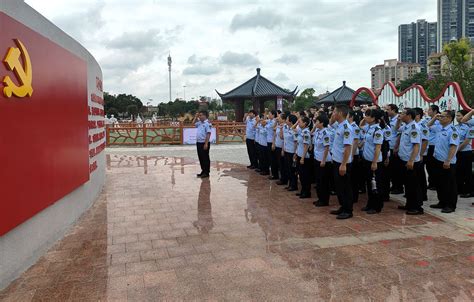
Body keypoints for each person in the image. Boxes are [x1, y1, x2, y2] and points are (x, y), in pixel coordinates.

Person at [429, 110, 460, 213]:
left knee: (449, 185)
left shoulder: (453, 130)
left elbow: (453, 146)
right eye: (440, 116)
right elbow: (427, 126)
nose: (440, 118)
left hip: (447, 162)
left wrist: (448, 160)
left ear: (449, 118)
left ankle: (450, 205)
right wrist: (435, 117)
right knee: (439, 183)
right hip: (437, 159)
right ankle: (442, 202)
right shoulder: (439, 127)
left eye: (442, 116)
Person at [395, 108, 423, 215]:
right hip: (404, 160)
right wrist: (398, 120)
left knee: (414, 185)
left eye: (403, 114)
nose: (401, 115)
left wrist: (411, 160)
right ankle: (409, 204)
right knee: (408, 184)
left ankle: (417, 207)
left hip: (411, 161)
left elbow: (416, 145)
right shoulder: (406, 126)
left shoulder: (414, 128)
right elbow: (396, 129)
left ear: (409, 116)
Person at [329, 105, 354, 219]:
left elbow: (348, 147)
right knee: (339, 187)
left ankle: (348, 210)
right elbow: (330, 122)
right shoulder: (339, 126)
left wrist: (343, 164)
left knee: (345, 187)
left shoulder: (346, 128)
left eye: (334, 112)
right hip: (336, 160)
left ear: (339, 113)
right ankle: (343, 206)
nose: (332, 114)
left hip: (343, 163)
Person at [360, 109, 385, 214]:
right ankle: (370, 204)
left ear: (374, 118)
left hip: (374, 161)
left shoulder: (377, 130)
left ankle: (377, 206)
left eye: (368, 116)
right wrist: (364, 119)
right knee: (369, 184)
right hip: (367, 160)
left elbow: (378, 147)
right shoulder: (369, 127)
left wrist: (374, 162)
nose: (365, 117)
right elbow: (360, 126)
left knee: (376, 185)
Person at [312, 114, 332, 207]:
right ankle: (320, 198)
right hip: (317, 158)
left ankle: (324, 200)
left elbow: (327, 147)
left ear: (322, 123)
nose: (315, 123)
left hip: (323, 160)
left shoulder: (325, 133)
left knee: (324, 181)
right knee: (319, 181)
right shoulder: (318, 131)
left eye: (317, 122)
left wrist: (323, 160)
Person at [385, 104, 404, 194]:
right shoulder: (389, 119)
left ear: (393, 110)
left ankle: (398, 187)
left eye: (388, 109)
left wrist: (397, 147)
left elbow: (400, 134)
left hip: (395, 147)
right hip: (390, 146)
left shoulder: (399, 119)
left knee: (397, 169)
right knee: (391, 169)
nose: (387, 111)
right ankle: (394, 186)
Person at [456, 110, 474, 198]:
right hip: (458, 151)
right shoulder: (456, 127)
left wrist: (456, 150)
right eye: (456, 115)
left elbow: (466, 142)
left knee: (467, 173)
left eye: (459, 115)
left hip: (465, 152)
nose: (457, 117)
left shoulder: (470, 126)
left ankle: (469, 191)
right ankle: (460, 189)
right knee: (459, 172)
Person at [294, 116, 312, 199]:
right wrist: (296, 153)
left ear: (305, 123)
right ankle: (303, 190)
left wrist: (303, 158)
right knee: (301, 175)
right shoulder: (301, 131)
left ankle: (307, 192)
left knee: (305, 176)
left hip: (304, 157)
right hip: (299, 154)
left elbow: (306, 146)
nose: (298, 123)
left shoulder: (306, 132)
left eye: (300, 122)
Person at [414, 107, 429, 202]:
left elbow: (425, 141)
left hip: (419, 154)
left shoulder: (422, 125)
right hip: (415, 154)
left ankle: (423, 195)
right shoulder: (414, 125)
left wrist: (421, 154)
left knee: (420, 175)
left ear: (418, 115)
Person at [426, 105, 442, 189]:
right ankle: (431, 183)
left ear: (435, 111)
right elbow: (427, 126)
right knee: (429, 166)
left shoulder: (440, 121)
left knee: (434, 166)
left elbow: (433, 129)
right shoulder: (429, 120)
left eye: (429, 110)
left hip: (434, 145)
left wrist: (436, 119)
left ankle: (435, 183)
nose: (428, 111)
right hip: (429, 145)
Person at [193, 111, 212, 178]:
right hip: (199, 142)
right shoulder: (199, 123)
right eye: (199, 115)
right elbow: (193, 123)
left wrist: (206, 144)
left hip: (204, 143)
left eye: (201, 115)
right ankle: (203, 171)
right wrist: (195, 116)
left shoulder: (207, 123)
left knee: (205, 158)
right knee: (201, 157)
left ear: (205, 116)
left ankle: (206, 172)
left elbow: (208, 134)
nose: (199, 116)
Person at [284, 114, 299, 192]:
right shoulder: (287, 128)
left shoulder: (295, 130)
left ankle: (294, 185)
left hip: (292, 152)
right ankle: (290, 184)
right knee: (288, 169)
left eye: (287, 119)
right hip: (287, 150)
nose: (285, 120)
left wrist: (295, 153)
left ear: (291, 121)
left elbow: (296, 142)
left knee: (292, 170)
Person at [275, 113, 287, 185]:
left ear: (283, 119)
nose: (277, 118)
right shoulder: (279, 125)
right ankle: (281, 178)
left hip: (282, 147)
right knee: (280, 164)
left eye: (279, 117)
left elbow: (283, 138)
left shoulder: (285, 126)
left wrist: (282, 129)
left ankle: (284, 179)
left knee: (283, 165)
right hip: (278, 146)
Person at [266, 110, 279, 180]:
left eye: (269, 114)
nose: (268, 115)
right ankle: (273, 174)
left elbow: (273, 128)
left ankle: (275, 175)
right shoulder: (270, 121)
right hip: (268, 141)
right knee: (270, 159)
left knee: (273, 159)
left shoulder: (274, 121)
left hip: (272, 142)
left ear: (273, 115)